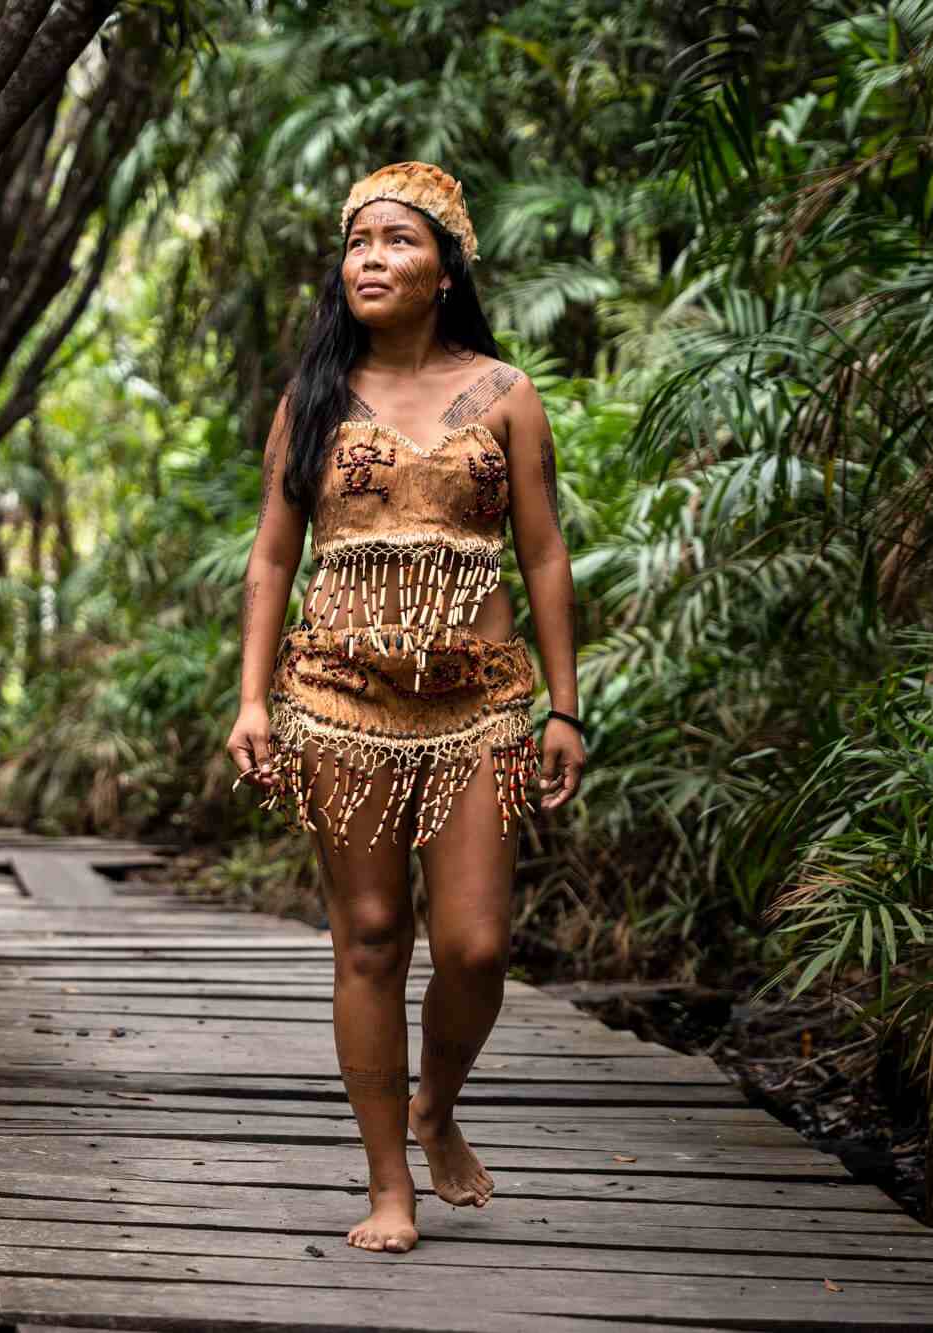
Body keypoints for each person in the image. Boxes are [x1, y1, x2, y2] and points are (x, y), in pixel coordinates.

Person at [225, 161, 588, 1254]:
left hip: (476, 703)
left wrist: (563, 708)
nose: (371, 258)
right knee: (371, 938)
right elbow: (270, 557)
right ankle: (388, 1182)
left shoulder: (504, 393)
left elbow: (542, 551)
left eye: (396, 241)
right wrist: (250, 699)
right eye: (356, 243)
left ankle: (433, 1104)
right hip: (335, 699)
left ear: (445, 268)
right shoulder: (314, 401)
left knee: (475, 947)